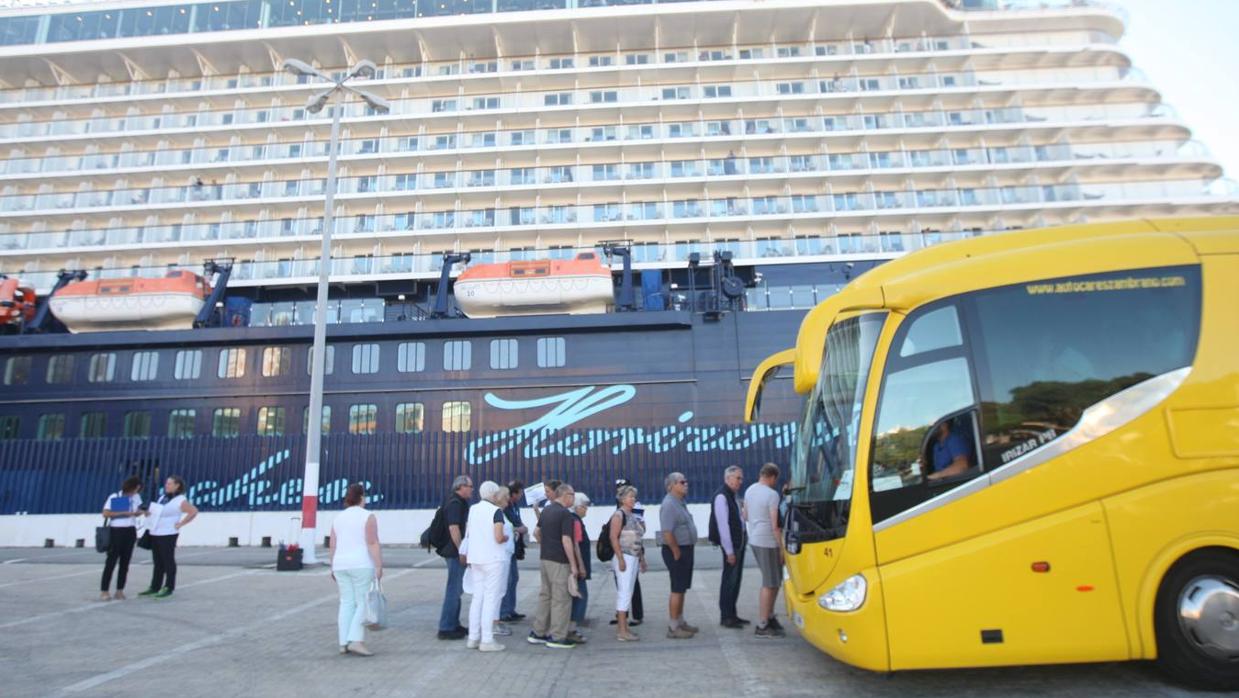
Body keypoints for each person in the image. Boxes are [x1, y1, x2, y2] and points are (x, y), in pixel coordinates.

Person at [329, 483, 382, 656]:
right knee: (363, 602)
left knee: (346, 602)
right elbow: (372, 542)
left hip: (340, 564)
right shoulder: (368, 516)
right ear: (361, 498)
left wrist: (332, 566)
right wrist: (379, 565)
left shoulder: (338, 518)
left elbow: (333, 544)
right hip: (361, 564)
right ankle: (356, 640)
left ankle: (343, 642)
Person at [528, 483, 581, 649]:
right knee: (561, 599)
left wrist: (547, 545)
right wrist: (574, 565)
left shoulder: (547, 510)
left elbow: (536, 533)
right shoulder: (565, 514)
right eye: (572, 494)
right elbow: (567, 540)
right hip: (559, 561)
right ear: (565, 495)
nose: (573, 498)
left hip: (545, 559)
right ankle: (557, 636)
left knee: (545, 595)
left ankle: (538, 632)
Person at [463, 481, 510, 652]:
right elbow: (498, 537)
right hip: (493, 559)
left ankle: (473, 637)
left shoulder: (473, 509)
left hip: (476, 558)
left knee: (477, 598)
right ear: (494, 495)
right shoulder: (496, 511)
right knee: (490, 599)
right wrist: (506, 538)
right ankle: (487, 639)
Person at [139, 475, 197, 599]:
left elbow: (193, 511)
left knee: (168, 560)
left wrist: (181, 523)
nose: (167, 485)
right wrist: (147, 512)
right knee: (157, 561)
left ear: (177, 486)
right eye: (166, 483)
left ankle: (169, 586)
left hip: (168, 533)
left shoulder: (180, 500)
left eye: (170, 483)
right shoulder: (163, 498)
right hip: (155, 532)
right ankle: (155, 586)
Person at [745, 463, 785, 638]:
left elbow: (745, 515)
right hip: (768, 541)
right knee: (770, 583)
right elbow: (775, 525)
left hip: (755, 538)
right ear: (773, 477)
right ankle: (762, 624)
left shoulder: (750, 490)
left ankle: (769, 615)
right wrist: (782, 547)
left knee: (775, 581)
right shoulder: (772, 495)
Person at [660, 471, 699, 639]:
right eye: (682, 482)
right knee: (677, 588)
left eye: (686, 481)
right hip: (676, 550)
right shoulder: (669, 504)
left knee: (682, 587)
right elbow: (667, 531)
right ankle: (673, 626)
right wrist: (676, 550)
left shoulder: (679, 502)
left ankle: (680, 621)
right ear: (671, 486)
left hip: (685, 549)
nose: (686, 484)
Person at [710, 465, 749, 628]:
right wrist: (729, 551)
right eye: (737, 478)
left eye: (741, 478)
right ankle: (726, 616)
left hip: (738, 543)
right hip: (732, 546)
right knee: (729, 581)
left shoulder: (732, 495)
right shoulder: (722, 496)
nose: (740, 481)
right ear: (728, 478)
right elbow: (723, 526)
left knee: (736, 581)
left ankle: (732, 614)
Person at [437, 475, 473, 640]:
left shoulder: (457, 501)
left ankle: (453, 623)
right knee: (454, 589)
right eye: (470, 486)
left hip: (453, 550)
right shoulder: (454, 503)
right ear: (461, 487)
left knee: (456, 589)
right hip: (453, 552)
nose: (472, 489)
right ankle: (446, 627)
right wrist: (461, 551)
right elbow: (454, 528)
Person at [610, 484, 646, 642]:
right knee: (624, 593)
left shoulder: (632, 515)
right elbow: (613, 537)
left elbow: (638, 538)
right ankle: (621, 630)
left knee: (628, 591)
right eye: (630, 497)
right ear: (622, 499)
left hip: (633, 557)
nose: (633, 499)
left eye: (634, 497)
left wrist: (641, 559)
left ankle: (624, 628)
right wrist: (620, 558)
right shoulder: (619, 515)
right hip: (624, 557)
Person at [99, 476, 144, 601]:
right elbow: (105, 513)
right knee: (111, 561)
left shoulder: (136, 498)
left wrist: (139, 512)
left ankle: (120, 590)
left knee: (125, 562)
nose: (136, 492)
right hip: (116, 530)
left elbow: (139, 508)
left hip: (130, 531)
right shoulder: (115, 497)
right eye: (135, 489)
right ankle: (104, 590)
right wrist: (123, 513)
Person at [499, 480, 528, 623]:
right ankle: (504, 612)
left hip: (513, 547)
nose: (522, 495)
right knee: (507, 579)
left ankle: (511, 609)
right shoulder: (504, 508)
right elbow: (504, 527)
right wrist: (518, 529)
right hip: (506, 548)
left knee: (514, 579)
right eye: (520, 493)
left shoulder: (514, 505)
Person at [568, 492, 591, 644]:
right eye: (585, 507)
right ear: (578, 507)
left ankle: (571, 627)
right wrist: (580, 567)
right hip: (577, 566)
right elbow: (575, 545)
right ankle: (572, 629)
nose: (586, 510)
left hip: (575, 565)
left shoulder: (575, 520)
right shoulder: (575, 521)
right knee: (580, 596)